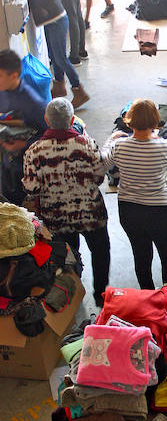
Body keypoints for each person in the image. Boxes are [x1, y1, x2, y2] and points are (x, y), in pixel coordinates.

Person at [22, 98, 109, 306]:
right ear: (72, 121)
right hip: (91, 213)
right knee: (100, 250)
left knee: (68, 256)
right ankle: (100, 295)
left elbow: (31, 188)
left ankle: (72, 294)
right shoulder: (87, 144)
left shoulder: (34, 151)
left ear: (46, 120)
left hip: (56, 216)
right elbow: (99, 178)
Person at [101, 99, 167, 293]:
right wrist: (159, 138)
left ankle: (147, 297)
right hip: (160, 210)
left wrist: (110, 140)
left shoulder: (119, 146)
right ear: (155, 123)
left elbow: (102, 163)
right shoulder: (164, 146)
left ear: (129, 122)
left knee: (141, 256)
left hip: (130, 211)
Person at [13, 0, 90, 109]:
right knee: (56, 57)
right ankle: (59, 86)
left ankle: (79, 91)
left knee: (60, 58)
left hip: (56, 21)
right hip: (54, 20)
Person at [0, 49, 46, 204]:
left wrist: (24, 144)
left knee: (15, 199)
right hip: (5, 155)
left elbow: (47, 134)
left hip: (23, 162)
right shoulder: (2, 91)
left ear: (13, 76)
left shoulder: (33, 102)